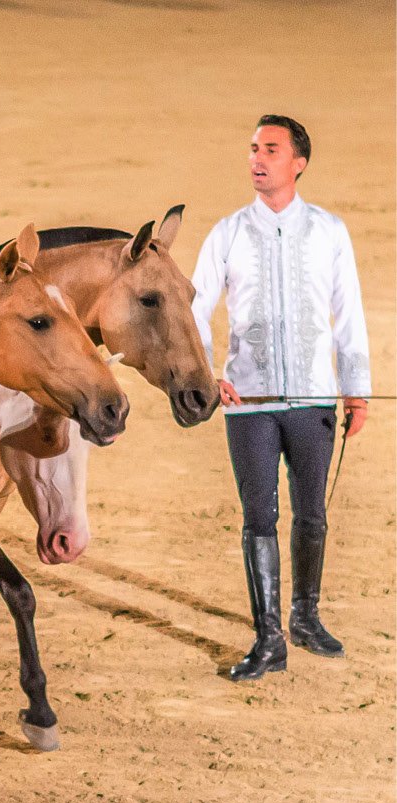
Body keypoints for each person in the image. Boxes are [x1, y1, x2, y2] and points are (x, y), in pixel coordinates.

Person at [190, 114, 372, 680]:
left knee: (312, 514)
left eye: (270, 149)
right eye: (252, 149)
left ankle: (304, 616)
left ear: (299, 163)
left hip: (315, 399)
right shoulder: (226, 232)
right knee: (260, 517)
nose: (257, 159)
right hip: (249, 401)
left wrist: (356, 391)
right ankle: (269, 637)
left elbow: (349, 315)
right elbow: (194, 309)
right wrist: (204, 374)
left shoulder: (328, 230)